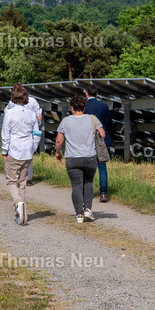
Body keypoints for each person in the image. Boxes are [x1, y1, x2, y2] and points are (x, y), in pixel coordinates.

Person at [55, 94, 105, 224]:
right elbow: (102, 134)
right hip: (90, 157)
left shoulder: (65, 121)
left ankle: (79, 215)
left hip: (72, 158)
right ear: (84, 107)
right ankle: (87, 209)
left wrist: (58, 153)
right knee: (88, 182)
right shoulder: (92, 119)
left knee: (76, 186)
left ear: (72, 107)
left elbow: (59, 140)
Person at [2, 84, 38, 225]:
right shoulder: (32, 114)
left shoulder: (9, 113)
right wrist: (33, 147)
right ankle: (21, 213)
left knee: (11, 181)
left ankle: (18, 204)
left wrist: (4, 151)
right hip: (27, 150)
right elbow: (36, 133)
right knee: (22, 183)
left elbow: (6, 133)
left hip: (14, 149)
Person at [84, 88, 113, 202]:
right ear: (97, 94)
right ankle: (103, 193)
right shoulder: (104, 106)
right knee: (102, 166)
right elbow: (109, 123)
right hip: (101, 139)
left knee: (86, 167)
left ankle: (86, 192)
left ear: (86, 94)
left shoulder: (83, 106)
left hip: (87, 139)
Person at [25, 92, 43, 186]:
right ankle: (27, 178)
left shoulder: (13, 102)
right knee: (28, 156)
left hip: (25, 133)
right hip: (29, 132)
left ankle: (25, 178)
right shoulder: (33, 100)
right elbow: (39, 115)